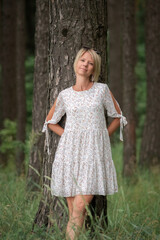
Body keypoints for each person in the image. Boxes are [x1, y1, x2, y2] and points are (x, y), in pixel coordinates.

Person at [42, 47, 128, 240]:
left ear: (93, 69)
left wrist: (102, 136)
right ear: (76, 63)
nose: (85, 65)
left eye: (90, 63)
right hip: (70, 152)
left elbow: (118, 117)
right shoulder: (65, 94)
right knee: (75, 211)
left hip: (93, 154)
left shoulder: (101, 90)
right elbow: (50, 121)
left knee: (80, 207)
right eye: (83, 61)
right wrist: (68, 135)